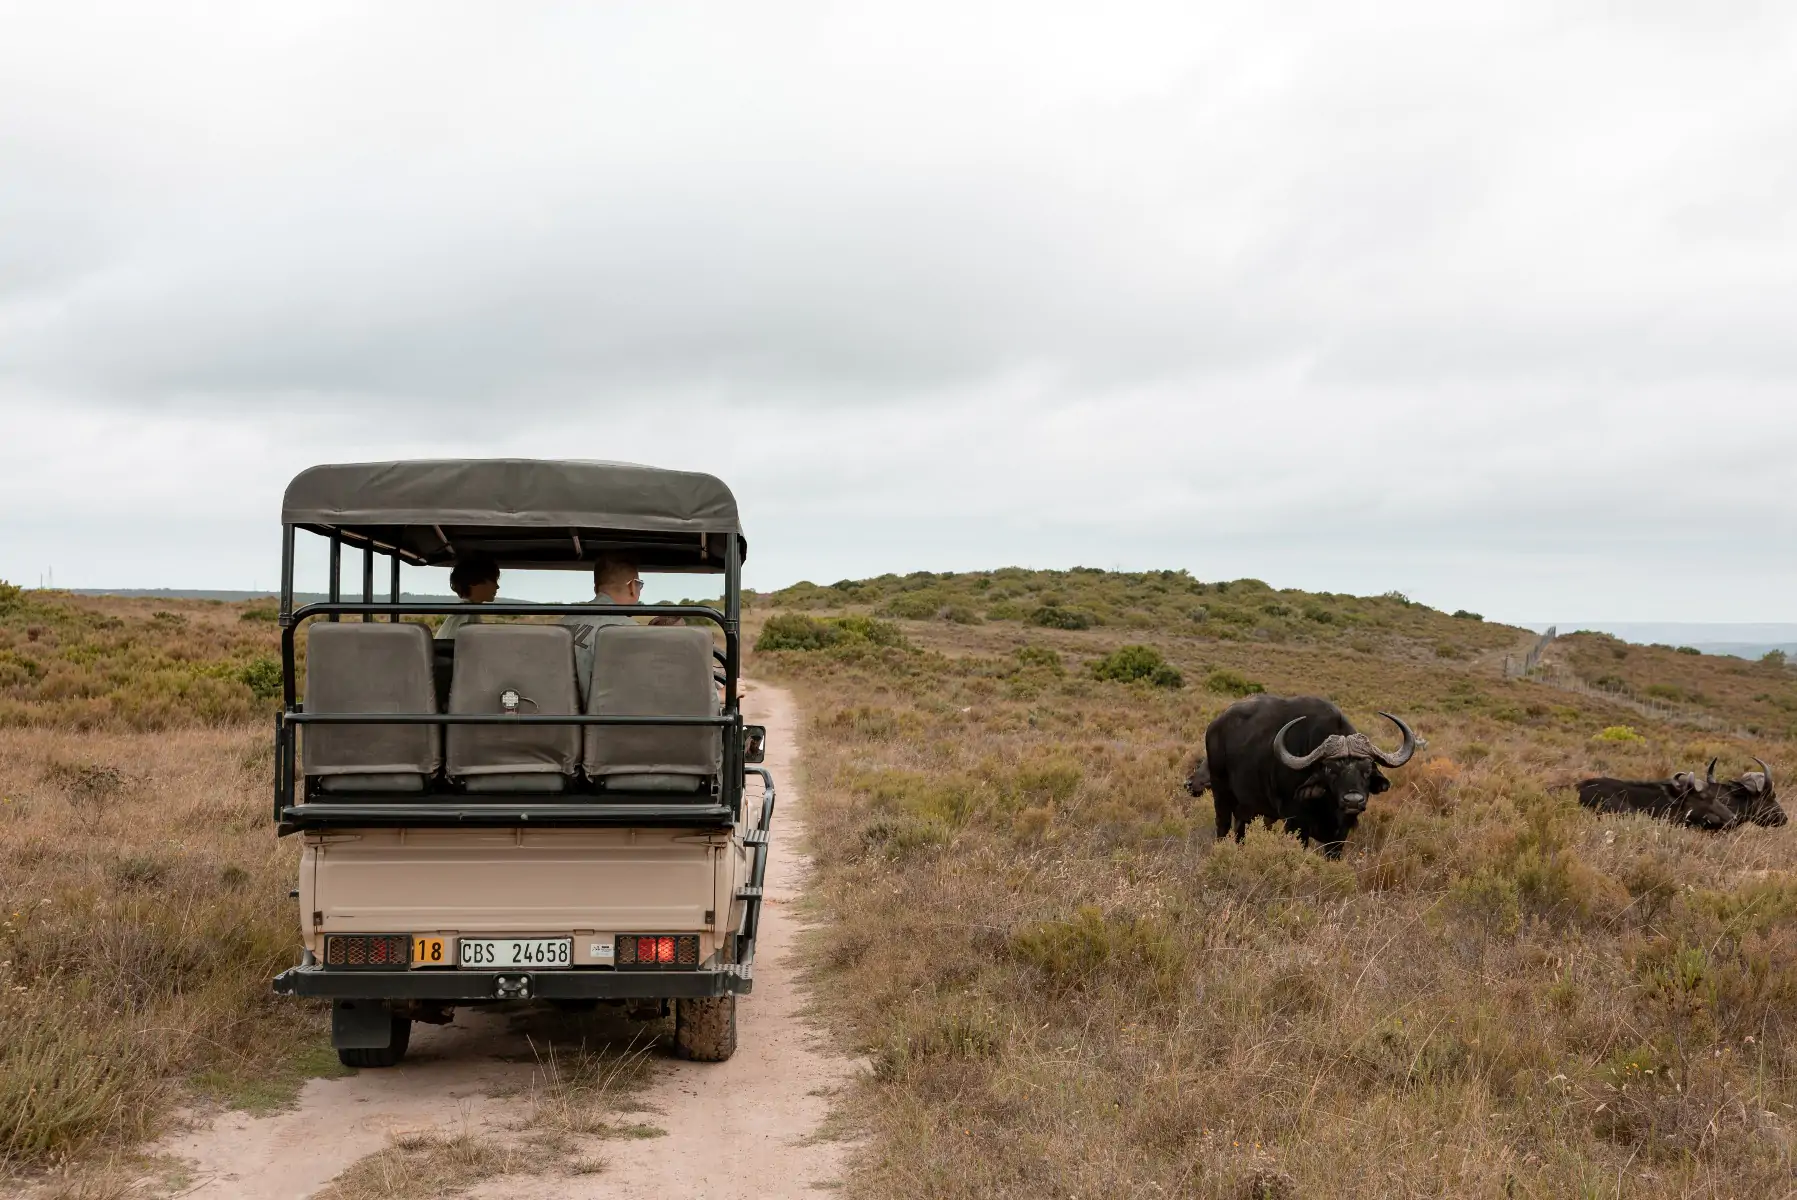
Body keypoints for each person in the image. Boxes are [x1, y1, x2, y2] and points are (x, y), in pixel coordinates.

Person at [562, 556, 644, 703]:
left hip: (556, 720)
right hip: (606, 722)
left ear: (595, 589)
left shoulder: (563, 622)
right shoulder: (630, 631)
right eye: (640, 585)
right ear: (633, 587)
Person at [436, 553, 500, 641]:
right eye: (493, 581)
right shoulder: (464, 611)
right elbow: (451, 648)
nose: (497, 586)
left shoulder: (469, 609)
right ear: (474, 581)